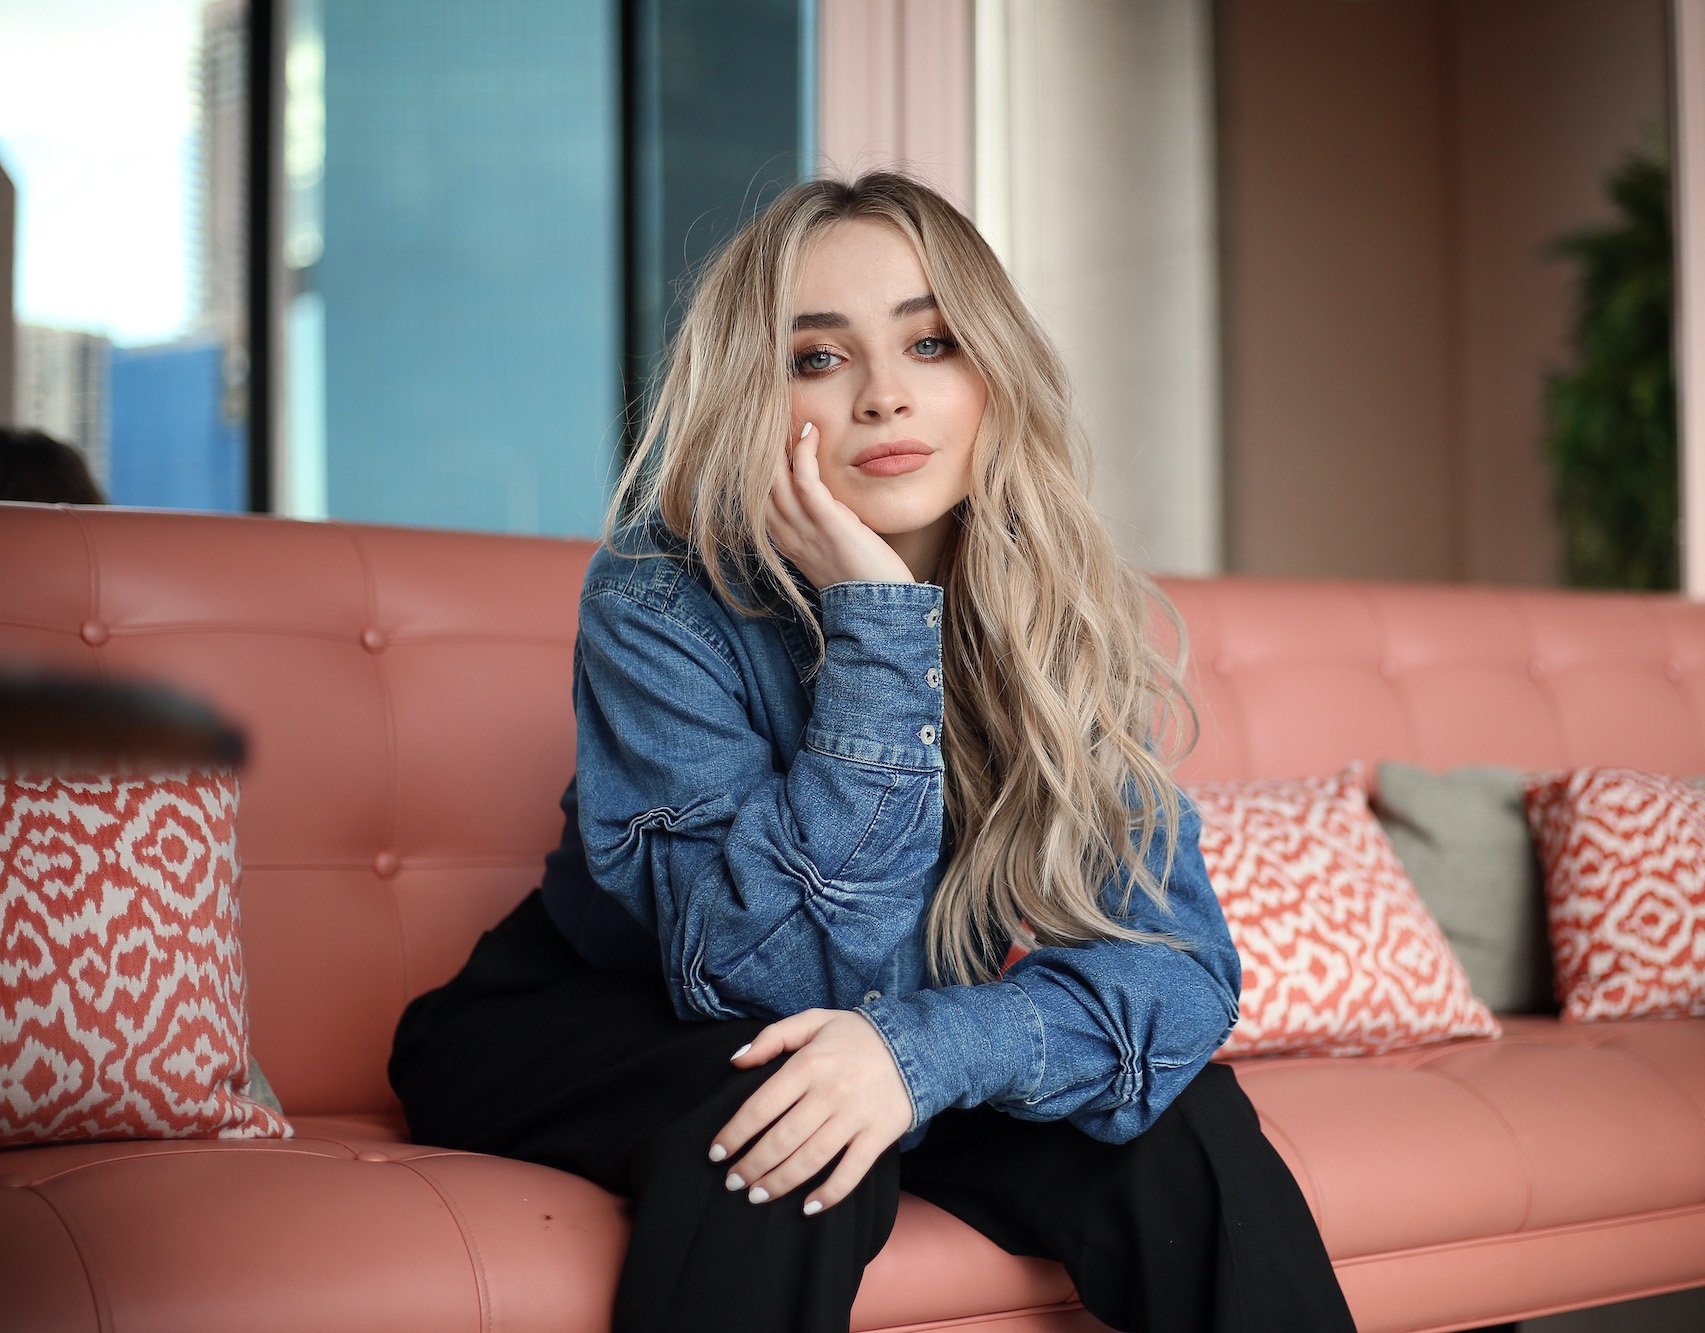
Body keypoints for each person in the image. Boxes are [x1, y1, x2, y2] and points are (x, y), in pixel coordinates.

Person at [387, 170, 1357, 1333]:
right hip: (598, 1013)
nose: (883, 397)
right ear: (755, 396)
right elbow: (770, 976)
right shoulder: (660, 594)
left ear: (989, 373)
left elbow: (1179, 967)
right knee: (780, 1114)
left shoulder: (1055, 605)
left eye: (930, 343)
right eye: (817, 358)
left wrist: (921, 1054)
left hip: (883, 1028)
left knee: (1181, 1123)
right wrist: (880, 628)